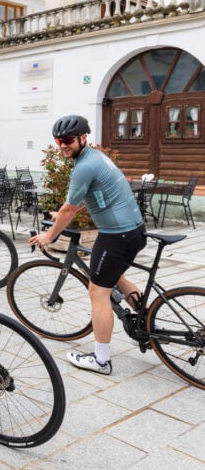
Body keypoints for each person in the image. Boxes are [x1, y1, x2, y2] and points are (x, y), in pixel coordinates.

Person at [30, 114, 145, 375]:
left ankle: (101, 360)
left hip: (117, 234)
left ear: (83, 138)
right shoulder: (95, 157)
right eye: (59, 140)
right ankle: (147, 319)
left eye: (68, 140)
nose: (62, 145)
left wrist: (50, 236)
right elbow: (89, 198)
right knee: (115, 276)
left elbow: (71, 208)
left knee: (98, 291)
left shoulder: (84, 166)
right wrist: (57, 215)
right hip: (132, 230)